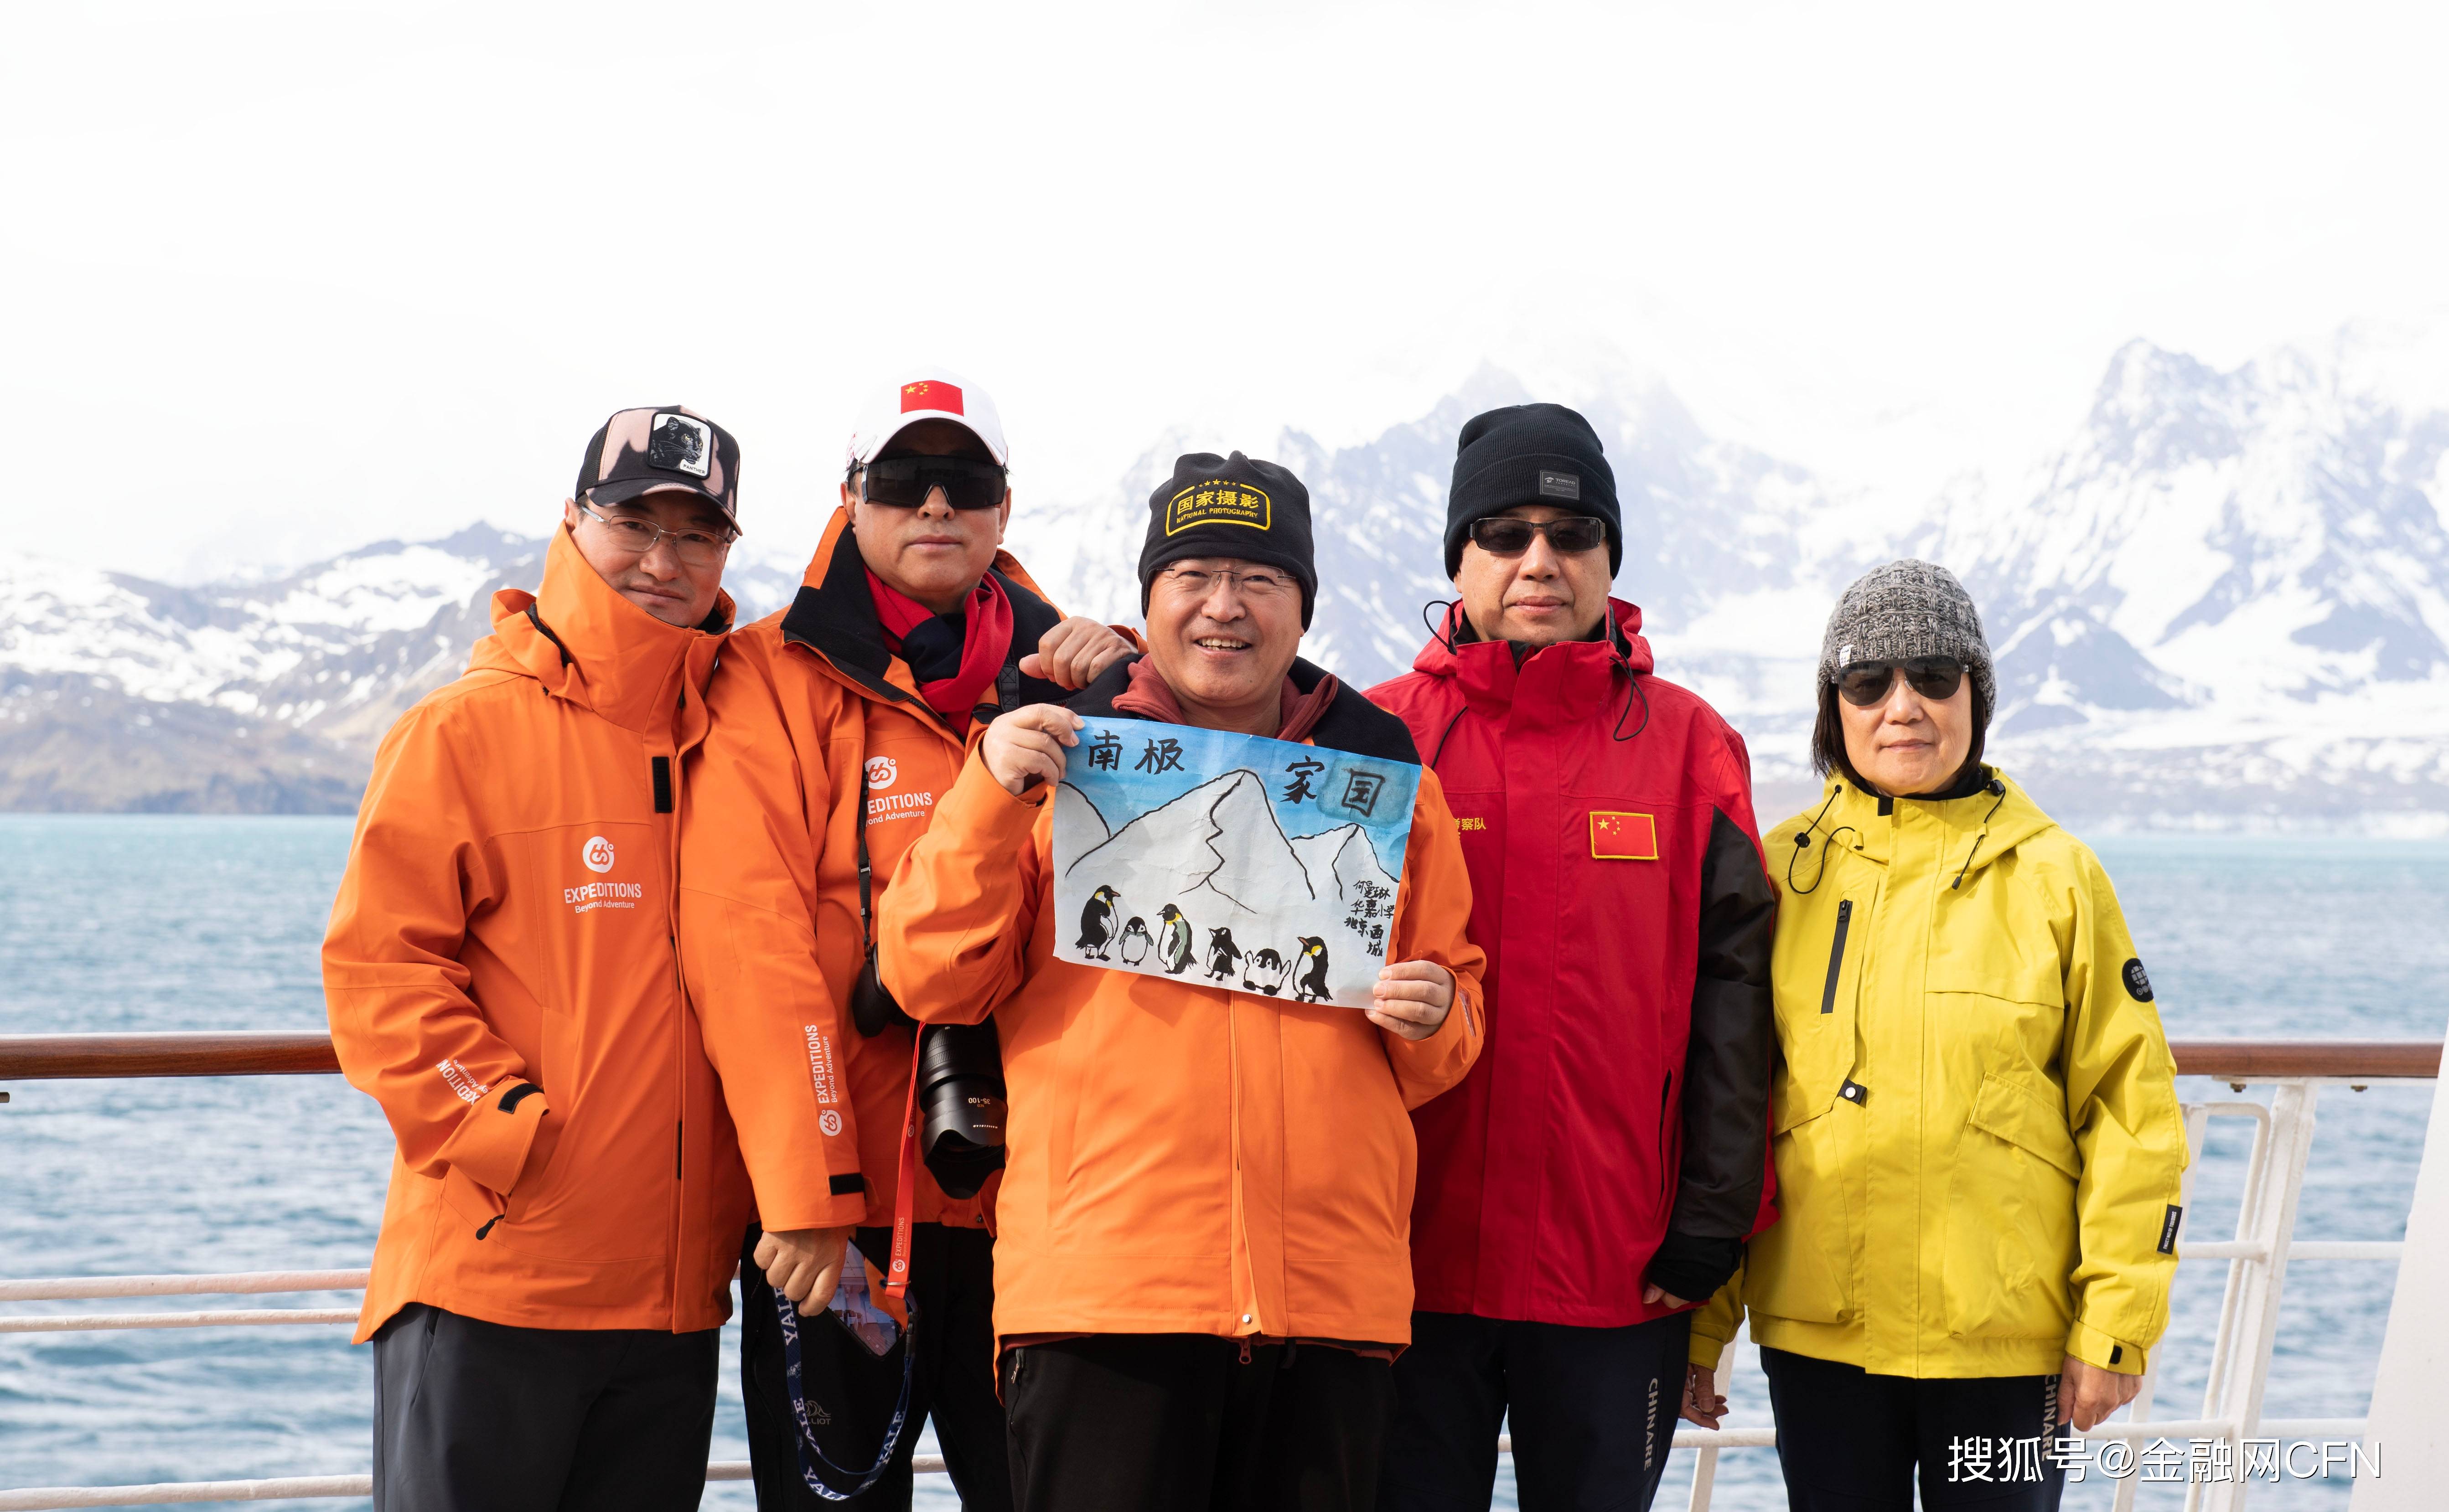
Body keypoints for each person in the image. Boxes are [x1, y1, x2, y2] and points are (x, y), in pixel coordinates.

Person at [875, 451, 1488, 1512]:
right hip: (1101, 1298)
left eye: (1260, 580)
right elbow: (932, 976)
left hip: (1330, 1309)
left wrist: (1434, 1016)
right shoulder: (1058, 751)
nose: (1224, 607)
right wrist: (985, 793)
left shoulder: (1385, 778)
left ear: (1302, 608)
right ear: (1146, 600)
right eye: (1193, 575)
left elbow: (1450, 1039)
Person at [327, 407, 800, 1511]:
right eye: (635, 522)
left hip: (675, 1306)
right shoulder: (464, 729)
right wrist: (507, 1134)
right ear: (575, 523)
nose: (662, 559)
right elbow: (377, 970)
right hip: (497, 1283)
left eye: (697, 535)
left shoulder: (742, 729)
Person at [678, 369, 1134, 1508]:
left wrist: (1134, 677)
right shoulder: (767, 678)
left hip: (1039, 1206)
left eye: (964, 482)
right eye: (903, 481)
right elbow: (752, 943)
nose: (936, 505)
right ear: (850, 496)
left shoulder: (1085, 677)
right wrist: (805, 1190)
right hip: (842, 1222)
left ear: (1004, 509)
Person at [1687, 559, 2189, 1512]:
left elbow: (2132, 1114)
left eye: (1931, 676)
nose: (1901, 706)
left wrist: (2114, 1329)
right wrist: (1701, 1329)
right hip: (1821, 1341)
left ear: (1976, 695)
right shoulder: (1775, 870)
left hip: (2004, 1348)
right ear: (1833, 708)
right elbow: (1727, 1105)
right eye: (1868, 683)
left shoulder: (2057, 877)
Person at [1363, 403, 1779, 1511]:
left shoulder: (1692, 744)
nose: (1538, 560)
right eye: (1503, 533)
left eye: (1571, 533)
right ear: (1459, 558)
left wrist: (1712, 1222)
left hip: (1615, 1269)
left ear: (1608, 561)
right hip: (1404, 1266)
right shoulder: (1373, 736)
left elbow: (1737, 1003)